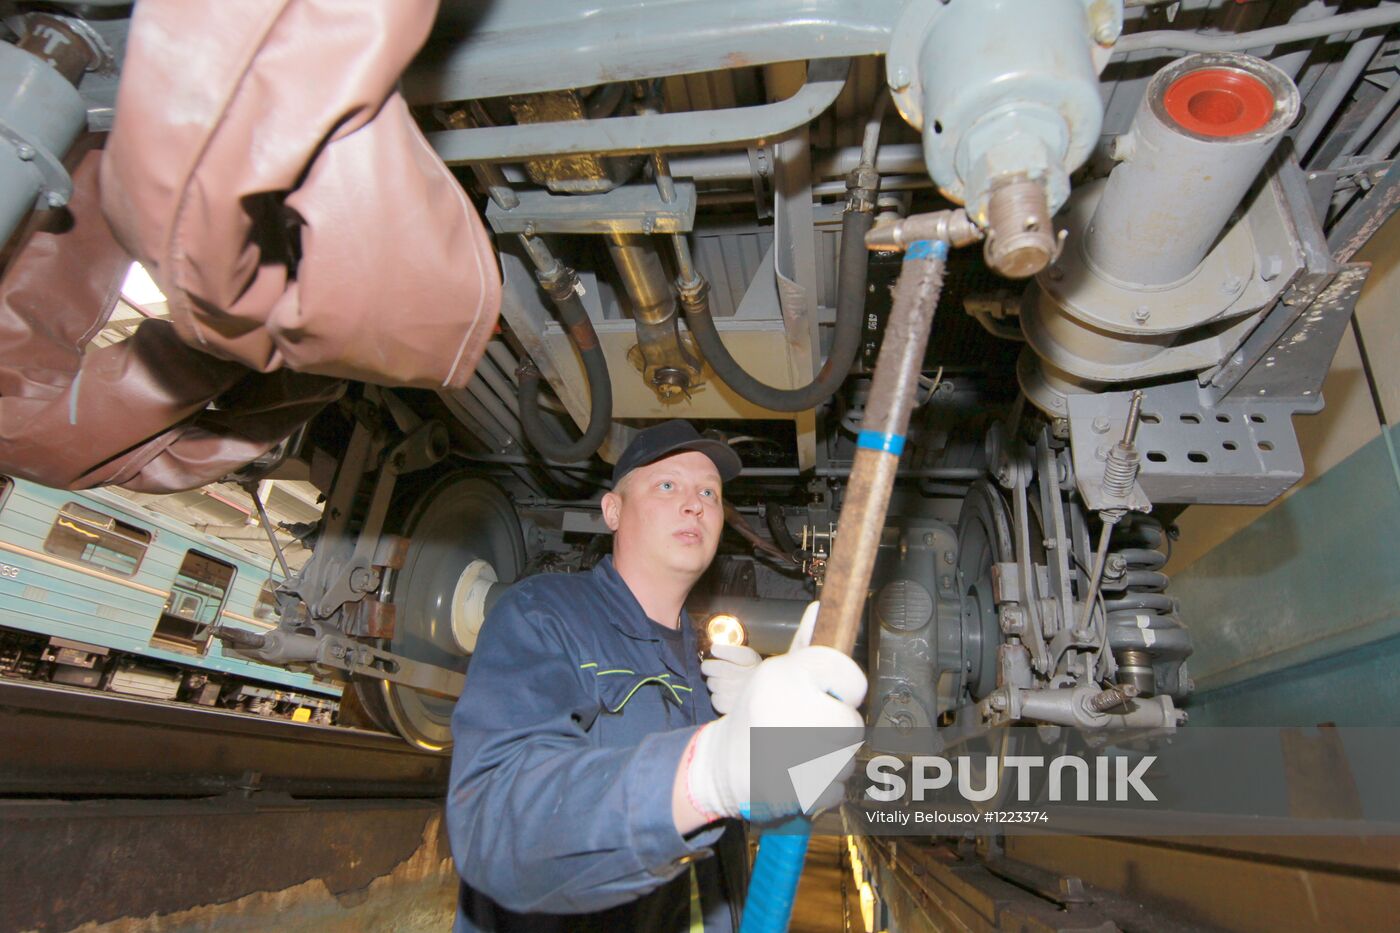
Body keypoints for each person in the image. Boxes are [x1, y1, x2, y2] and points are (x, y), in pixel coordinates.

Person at [446, 419, 867, 932]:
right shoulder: (544, 614)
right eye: (668, 485)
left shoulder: (708, 669)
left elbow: (723, 823)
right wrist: (708, 771)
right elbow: (496, 825)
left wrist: (787, 772)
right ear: (613, 510)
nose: (696, 504)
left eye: (709, 492)